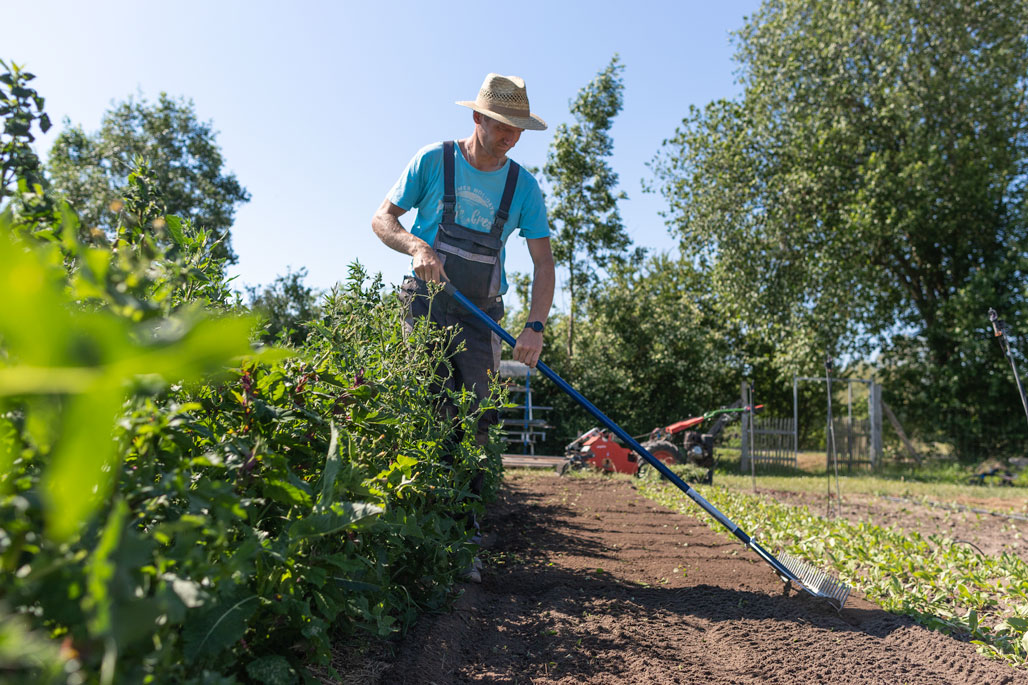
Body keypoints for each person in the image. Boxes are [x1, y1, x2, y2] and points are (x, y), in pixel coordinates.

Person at [372, 73, 555, 581]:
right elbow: (382, 218)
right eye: (504, 126)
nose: (512, 137)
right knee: (426, 407)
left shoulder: (522, 186)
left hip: (481, 318)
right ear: (477, 117)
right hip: (426, 304)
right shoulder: (435, 161)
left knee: (475, 422)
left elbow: (544, 263)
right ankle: (411, 529)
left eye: (519, 129)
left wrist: (534, 327)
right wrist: (418, 247)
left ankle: (462, 535)